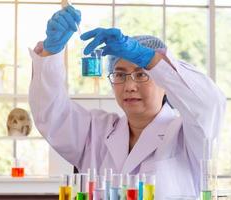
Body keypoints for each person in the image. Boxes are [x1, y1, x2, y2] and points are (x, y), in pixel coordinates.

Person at [28, 5, 226, 199]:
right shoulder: (95, 132)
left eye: (141, 73)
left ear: (164, 81)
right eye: (120, 74)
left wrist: (149, 58)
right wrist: (51, 53)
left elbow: (210, 104)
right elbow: (51, 113)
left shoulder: (187, 136)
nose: (129, 86)